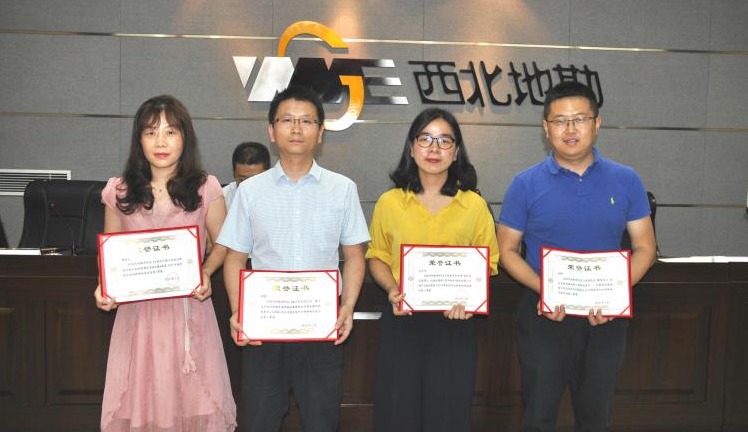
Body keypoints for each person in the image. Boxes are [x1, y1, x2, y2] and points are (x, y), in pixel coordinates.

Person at [497, 81, 656, 432]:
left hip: (605, 318)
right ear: (546, 128)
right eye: (559, 121)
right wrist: (544, 289)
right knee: (538, 416)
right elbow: (506, 250)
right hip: (544, 315)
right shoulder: (524, 184)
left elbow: (645, 247)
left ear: (597, 123)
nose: (570, 129)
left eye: (580, 119)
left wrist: (616, 296)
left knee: (595, 418)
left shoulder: (626, 179)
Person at [217, 85, 369, 432]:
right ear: (272, 131)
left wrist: (347, 307)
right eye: (287, 120)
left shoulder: (343, 189)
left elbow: (354, 256)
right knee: (259, 421)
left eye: (306, 121)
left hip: (321, 329)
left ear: (320, 132)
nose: (297, 128)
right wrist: (239, 312)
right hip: (264, 329)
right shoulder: (250, 191)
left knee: (321, 421)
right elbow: (234, 258)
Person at [93, 95, 236, 432]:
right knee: (142, 402)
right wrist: (104, 286)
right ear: (138, 139)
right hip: (138, 316)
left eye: (170, 132)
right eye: (150, 132)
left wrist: (206, 272)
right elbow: (109, 251)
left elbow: (225, 243)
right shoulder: (119, 191)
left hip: (188, 311)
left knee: (191, 401)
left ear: (185, 137)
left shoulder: (206, 188)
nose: (160, 142)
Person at [366, 108, 499, 432]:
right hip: (403, 319)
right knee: (398, 412)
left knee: (448, 415)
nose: (434, 148)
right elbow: (377, 256)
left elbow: (489, 263)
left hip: (455, 324)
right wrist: (392, 289)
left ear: (456, 151)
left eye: (444, 140)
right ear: (411, 148)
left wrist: (470, 299)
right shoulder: (389, 202)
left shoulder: (475, 206)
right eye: (425, 139)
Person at [222, 141, 271, 209]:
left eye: (255, 180)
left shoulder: (280, 196)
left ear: (268, 174)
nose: (248, 187)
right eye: (242, 180)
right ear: (234, 174)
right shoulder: (222, 198)